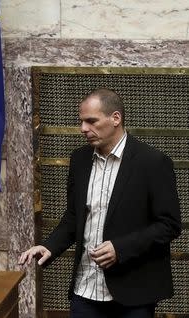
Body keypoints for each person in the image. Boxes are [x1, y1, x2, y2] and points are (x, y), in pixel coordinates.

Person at [18, 88, 181, 318]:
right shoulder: (79, 159)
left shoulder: (153, 162)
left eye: (91, 121)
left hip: (134, 293)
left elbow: (169, 224)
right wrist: (50, 245)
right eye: (82, 122)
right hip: (85, 290)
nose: (83, 129)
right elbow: (75, 217)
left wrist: (120, 248)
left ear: (116, 118)